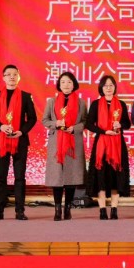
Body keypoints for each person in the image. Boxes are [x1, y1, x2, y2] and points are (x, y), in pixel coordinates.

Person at [0, 64, 38, 221]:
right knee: (0, 177)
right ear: (3, 77)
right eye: (8, 74)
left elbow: (32, 118)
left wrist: (21, 131)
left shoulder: (25, 96)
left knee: (20, 177)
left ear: (19, 77)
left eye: (15, 74)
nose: (12, 77)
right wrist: (0, 126)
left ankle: (20, 211)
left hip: (19, 141)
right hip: (1, 142)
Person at [87, 75, 133, 221]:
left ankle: (114, 209)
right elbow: (89, 124)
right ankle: (102, 210)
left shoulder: (121, 104)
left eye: (111, 85)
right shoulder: (95, 104)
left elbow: (127, 123)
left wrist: (120, 125)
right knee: (100, 177)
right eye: (105, 85)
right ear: (101, 88)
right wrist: (104, 131)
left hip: (117, 145)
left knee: (115, 177)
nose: (108, 88)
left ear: (115, 87)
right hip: (101, 144)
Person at [44, 71, 88, 221]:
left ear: (74, 84)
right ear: (59, 84)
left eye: (69, 82)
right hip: (56, 143)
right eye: (63, 82)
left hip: (73, 142)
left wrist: (74, 128)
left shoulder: (81, 103)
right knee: (57, 177)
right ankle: (57, 209)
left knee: (71, 176)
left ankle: (68, 208)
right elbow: (45, 120)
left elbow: (85, 122)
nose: (66, 85)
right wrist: (56, 123)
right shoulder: (51, 102)